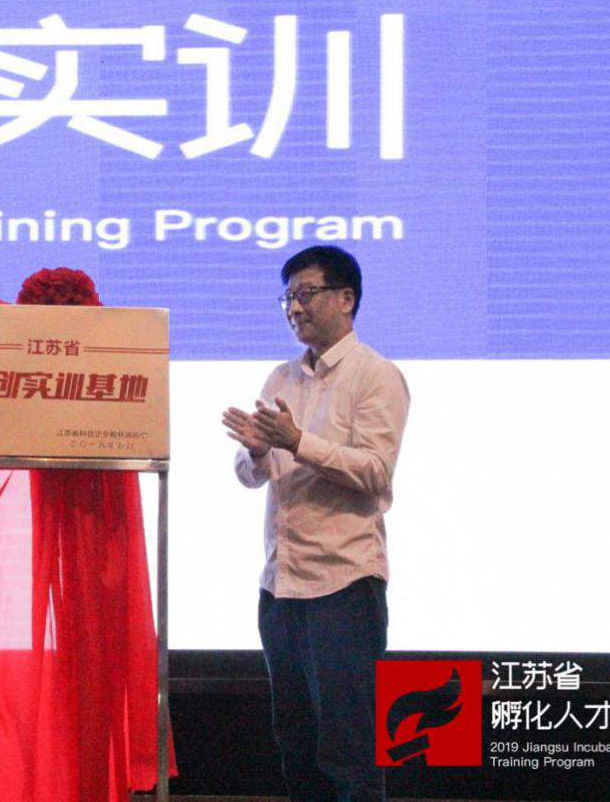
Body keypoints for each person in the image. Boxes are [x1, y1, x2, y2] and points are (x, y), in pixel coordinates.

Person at [221, 245, 409, 802]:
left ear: (346, 299)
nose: (294, 308)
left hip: (343, 586)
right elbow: (250, 476)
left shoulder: (376, 375)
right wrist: (258, 451)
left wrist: (298, 442)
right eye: (288, 297)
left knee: (349, 753)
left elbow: (374, 471)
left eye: (306, 294)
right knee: (297, 749)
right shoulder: (281, 378)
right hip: (280, 588)